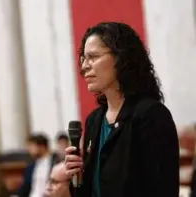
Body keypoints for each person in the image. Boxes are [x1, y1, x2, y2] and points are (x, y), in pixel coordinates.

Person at [64, 22, 179, 197]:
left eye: (93, 57)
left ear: (121, 58)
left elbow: (162, 189)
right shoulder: (94, 120)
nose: (85, 66)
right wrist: (78, 176)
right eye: (83, 59)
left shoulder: (150, 115)